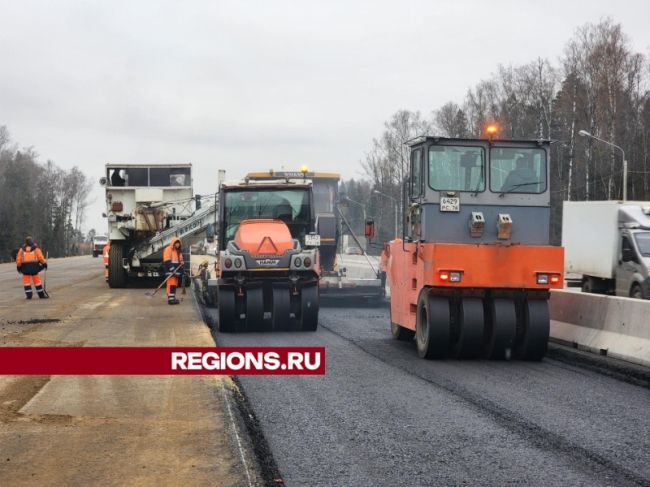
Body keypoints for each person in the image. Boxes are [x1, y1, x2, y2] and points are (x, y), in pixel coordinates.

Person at [163, 237, 184, 305]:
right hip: (170, 271)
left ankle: (172, 298)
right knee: (171, 284)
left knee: (174, 284)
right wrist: (172, 269)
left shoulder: (178, 251)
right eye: (176, 243)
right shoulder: (168, 249)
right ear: (174, 243)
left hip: (176, 271)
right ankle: (170, 300)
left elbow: (180, 260)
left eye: (178, 243)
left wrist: (181, 262)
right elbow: (167, 260)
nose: (177, 245)